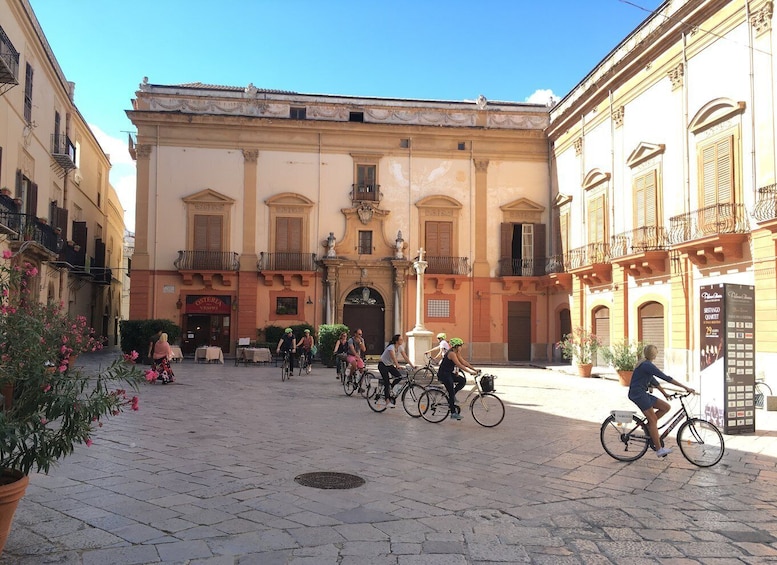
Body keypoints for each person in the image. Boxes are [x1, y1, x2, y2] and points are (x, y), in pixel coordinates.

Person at [628, 344, 695, 457]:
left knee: (666, 407)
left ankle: (649, 425)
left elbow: (654, 381)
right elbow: (666, 378)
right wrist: (685, 387)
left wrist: (665, 394)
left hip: (642, 393)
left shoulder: (645, 364)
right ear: (654, 354)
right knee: (653, 420)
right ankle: (659, 449)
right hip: (638, 394)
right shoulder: (647, 365)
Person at [439, 338, 478, 420]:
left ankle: (451, 396)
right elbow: (459, 365)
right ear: (456, 346)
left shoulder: (457, 353)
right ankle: (453, 413)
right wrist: (469, 372)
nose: (461, 347)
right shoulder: (452, 353)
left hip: (449, 373)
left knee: (462, 381)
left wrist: (474, 369)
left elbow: (464, 362)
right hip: (444, 374)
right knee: (451, 392)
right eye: (460, 346)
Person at [377, 334, 414, 408]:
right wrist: (397, 365)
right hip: (382, 365)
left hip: (389, 365)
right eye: (400, 340)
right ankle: (387, 401)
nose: (402, 341)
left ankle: (390, 388)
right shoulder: (391, 347)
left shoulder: (400, 347)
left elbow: (405, 357)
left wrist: (412, 365)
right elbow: (393, 357)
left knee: (399, 377)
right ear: (396, 341)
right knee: (387, 382)